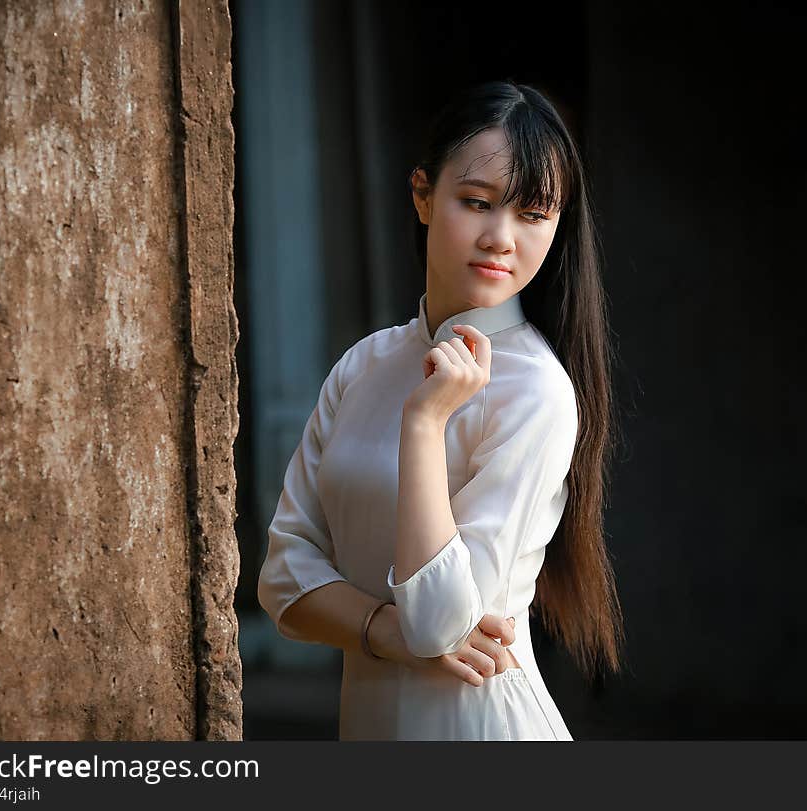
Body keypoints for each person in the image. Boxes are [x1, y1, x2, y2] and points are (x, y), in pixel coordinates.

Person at [257, 79, 624, 740]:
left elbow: (442, 622)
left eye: (533, 214)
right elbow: (283, 579)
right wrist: (386, 631)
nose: (501, 237)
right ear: (423, 195)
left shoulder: (533, 392)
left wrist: (425, 423)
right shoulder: (363, 366)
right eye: (476, 202)